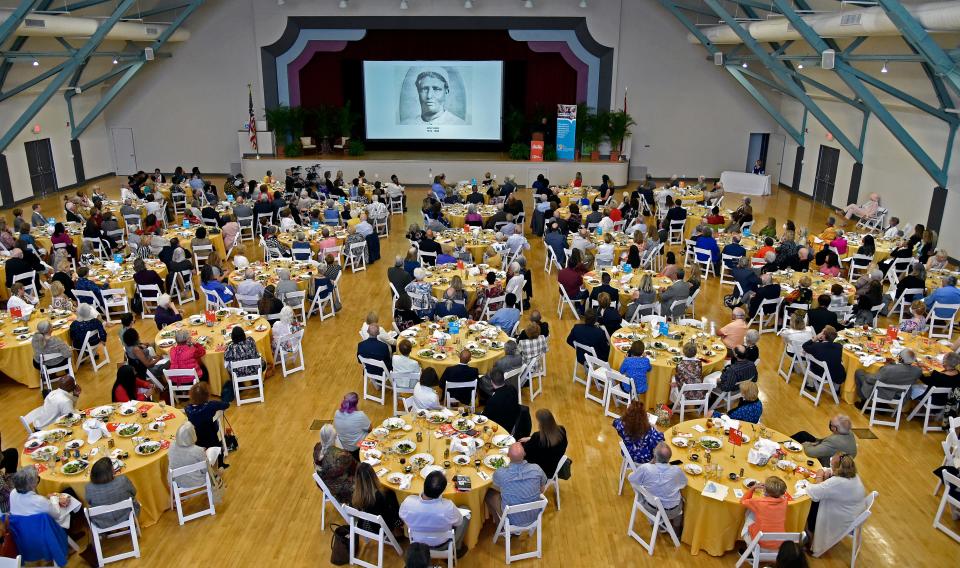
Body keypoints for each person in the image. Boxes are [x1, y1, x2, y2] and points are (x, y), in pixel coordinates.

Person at [805, 453, 866, 558]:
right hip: (854, 512)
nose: (830, 467)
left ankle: (810, 538)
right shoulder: (854, 476)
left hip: (841, 517)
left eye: (832, 465)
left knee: (813, 504)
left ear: (839, 468)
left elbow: (814, 492)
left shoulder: (837, 482)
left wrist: (819, 475)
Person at [399, 470, 467, 556]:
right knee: (466, 511)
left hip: (418, 541)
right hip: (442, 543)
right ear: (442, 491)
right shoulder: (448, 506)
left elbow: (401, 515)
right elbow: (459, 522)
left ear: (424, 485)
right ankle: (457, 547)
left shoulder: (408, 501)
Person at [628, 442, 687, 533]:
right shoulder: (676, 470)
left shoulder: (645, 468)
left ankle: (657, 525)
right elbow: (683, 484)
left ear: (655, 456)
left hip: (651, 508)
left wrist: (650, 463)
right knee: (682, 500)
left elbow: (631, 478)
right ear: (670, 457)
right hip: (672, 511)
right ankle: (677, 531)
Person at [485, 442, 547, 526]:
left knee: (488, 494)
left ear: (508, 455)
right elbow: (542, 490)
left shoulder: (501, 473)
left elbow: (497, 488)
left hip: (511, 519)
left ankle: (499, 523)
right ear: (524, 454)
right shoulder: (536, 469)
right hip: (533, 515)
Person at [85, 456, 141, 528]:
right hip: (126, 515)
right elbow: (134, 492)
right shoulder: (122, 480)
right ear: (110, 471)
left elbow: (89, 502)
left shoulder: (89, 487)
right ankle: (133, 526)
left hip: (102, 521)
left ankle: (104, 534)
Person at [169, 422, 222, 495]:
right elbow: (205, 470)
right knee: (214, 450)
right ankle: (215, 478)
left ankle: (215, 477)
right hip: (197, 481)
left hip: (178, 481)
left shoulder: (171, 446)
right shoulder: (197, 450)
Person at [855, 348, 922, 405]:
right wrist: (892, 364)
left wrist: (867, 374)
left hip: (881, 392)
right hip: (899, 395)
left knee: (859, 372)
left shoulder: (889, 369)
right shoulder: (918, 371)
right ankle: (882, 404)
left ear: (901, 358)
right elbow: (902, 372)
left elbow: (871, 380)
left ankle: (864, 401)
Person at [740, 476, 791, 551]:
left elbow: (743, 501)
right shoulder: (784, 502)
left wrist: (752, 488)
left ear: (764, 490)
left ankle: (749, 551)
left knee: (750, 513)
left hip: (758, 543)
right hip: (778, 544)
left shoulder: (758, 502)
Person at [352, 462, 402, 534]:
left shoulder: (356, 493)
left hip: (365, 524)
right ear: (373, 475)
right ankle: (398, 533)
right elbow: (394, 513)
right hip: (381, 528)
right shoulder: (381, 495)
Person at [313, 424, 357, 503]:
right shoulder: (342, 456)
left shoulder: (317, 449)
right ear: (334, 438)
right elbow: (356, 470)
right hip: (343, 491)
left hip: (326, 485)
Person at [790, 414, 858, 466]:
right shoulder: (848, 432)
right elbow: (826, 441)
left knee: (802, 442)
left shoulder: (834, 441)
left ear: (835, 428)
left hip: (827, 464)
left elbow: (810, 452)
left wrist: (806, 444)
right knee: (803, 435)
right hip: (834, 456)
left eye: (831, 424)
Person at [519, 409, 567, 478]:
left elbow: (524, 453)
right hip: (551, 467)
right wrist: (530, 438)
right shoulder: (561, 429)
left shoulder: (538, 438)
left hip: (538, 472)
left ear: (541, 424)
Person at [333, 392, 371, 459]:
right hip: (359, 447)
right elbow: (370, 429)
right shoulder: (360, 415)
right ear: (356, 402)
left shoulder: (337, 413)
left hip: (345, 446)